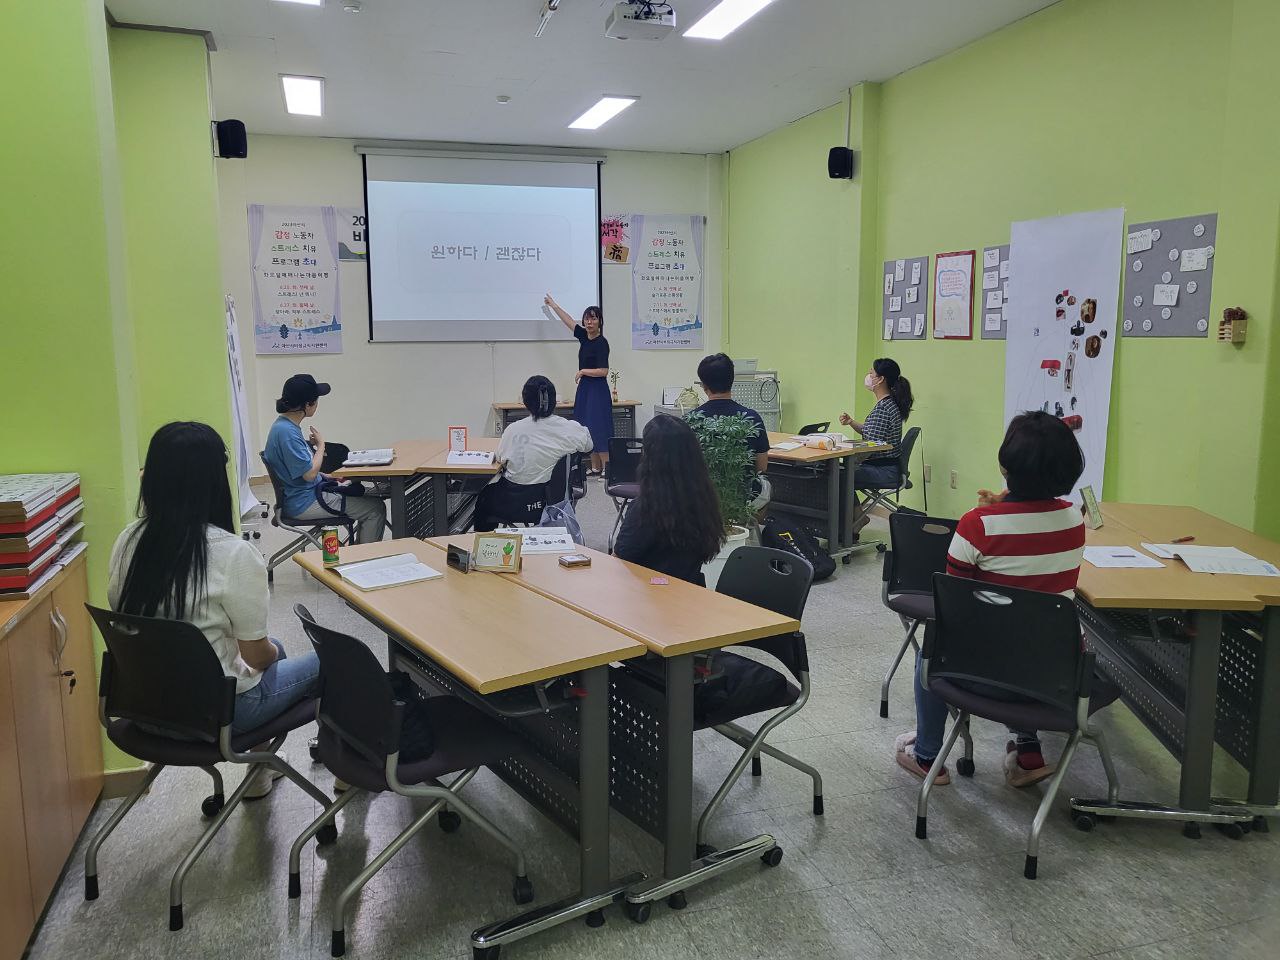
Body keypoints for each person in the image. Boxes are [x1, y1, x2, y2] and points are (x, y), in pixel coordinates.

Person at [108, 422, 319, 799]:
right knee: (329, 660)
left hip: (145, 709)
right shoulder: (232, 553)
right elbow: (256, 655)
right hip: (216, 715)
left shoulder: (129, 539)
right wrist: (262, 652)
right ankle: (345, 776)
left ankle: (259, 772)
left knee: (273, 652)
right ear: (214, 481)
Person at [894, 411, 1086, 789]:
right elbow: (1032, 521)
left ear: (1006, 463)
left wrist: (996, 509)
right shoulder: (1073, 519)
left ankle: (928, 754)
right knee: (1031, 630)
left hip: (986, 675)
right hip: (1054, 675)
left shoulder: (978, 523)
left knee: (931, 649)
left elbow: (955, 605)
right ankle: (1028, 752)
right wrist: (1008, 504)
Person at [263, 374, 386, 544]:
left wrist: (326, 476)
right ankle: (364, 561)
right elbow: (309, 475)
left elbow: (300, 470)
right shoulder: (288, 433)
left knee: (367, 499)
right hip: (304, 503)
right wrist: (321, 446)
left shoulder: (283, 426)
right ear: (308, 404)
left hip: (300, 496)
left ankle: (358, 554)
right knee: (375, 508)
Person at [614, 414, 725, 586]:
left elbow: (621, 556)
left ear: (650, 458)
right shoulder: (704, 498)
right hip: (692, 591)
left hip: (646, 595)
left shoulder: (646, 506)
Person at [474, 375, 593, 531]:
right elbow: (589, 446)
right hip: (553, 504)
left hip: (512, 504)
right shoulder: (572, 429)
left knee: (484, 497)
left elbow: (501, 458)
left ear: (525, 402)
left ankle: (489, 548)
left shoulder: (513, 430)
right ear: (554, 400)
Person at [691, 353, 771, 514]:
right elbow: (761, 467)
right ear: (732, 381)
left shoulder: (691, 420)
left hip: (699, 499)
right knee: (765, 484)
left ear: (704, 385)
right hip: (744, 498)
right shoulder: (751, 418)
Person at [840, 357, 912, 532]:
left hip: (884, 472)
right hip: (888, 468)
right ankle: (854, 519)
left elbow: (871, 445)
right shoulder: (888, 404)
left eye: (871, 373)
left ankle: (858, 518)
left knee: (838, 476)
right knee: (841, 473)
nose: (868, 375)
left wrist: (843, 450)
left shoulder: (883, 408)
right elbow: (872, 433)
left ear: (880, 379)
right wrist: (851, 422)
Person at [545, 293, 612, 476]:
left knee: (599, 426)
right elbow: (568, 321)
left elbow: (604, 371)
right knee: (586, 426)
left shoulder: (602, 343)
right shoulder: (583, 336)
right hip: (585, 389)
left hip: (597, 389)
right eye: (587, 319)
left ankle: (608, 468)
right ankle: (595, 466)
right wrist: (554, 305)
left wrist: (583, 372)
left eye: (593, 319)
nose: (589, 322)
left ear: (600, 322)